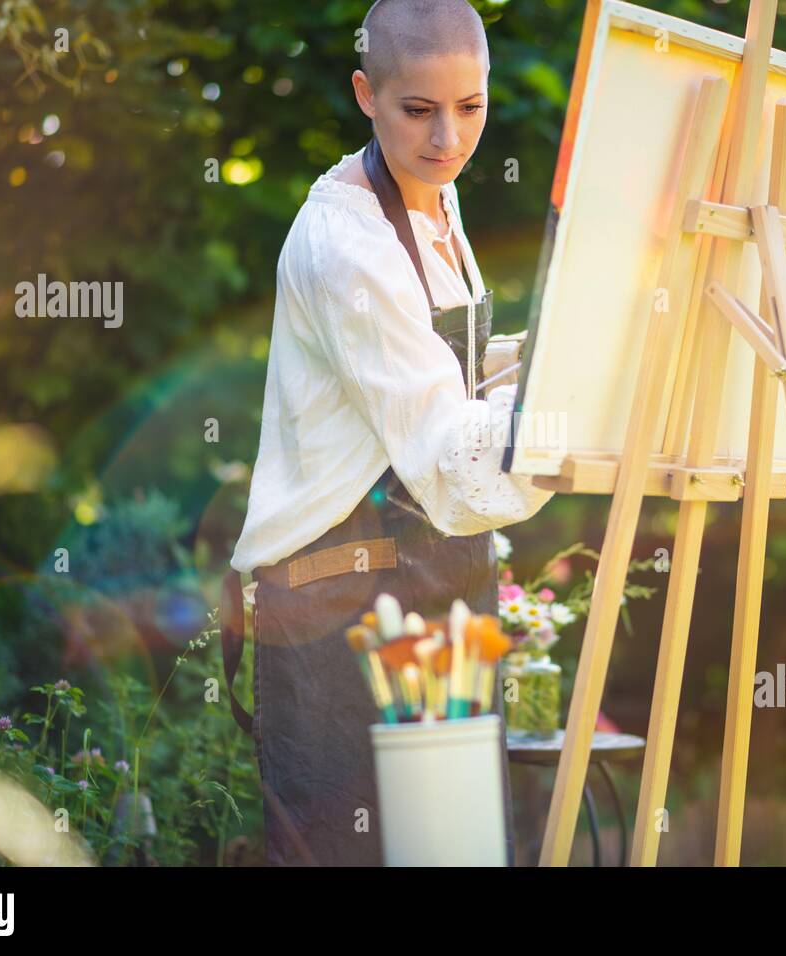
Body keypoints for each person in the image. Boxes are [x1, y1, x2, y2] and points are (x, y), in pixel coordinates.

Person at [221, 0, 554, 866]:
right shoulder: (345, 243)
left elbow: (448, 376)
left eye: (470, 107)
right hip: (337, 605)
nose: (448, 137)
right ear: (367, 93)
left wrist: (560, 357)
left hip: (440, 585)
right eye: (419, 110)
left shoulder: (435, 203)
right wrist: (563, 414)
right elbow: (446, 450)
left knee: (458, 853)